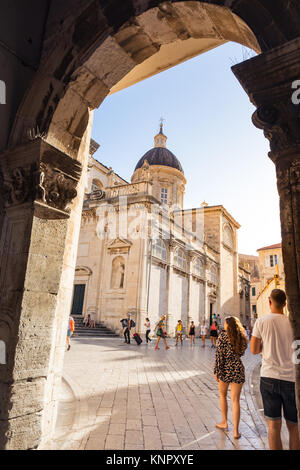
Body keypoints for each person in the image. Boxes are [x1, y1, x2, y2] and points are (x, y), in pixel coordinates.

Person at [251, 289, 300, 450]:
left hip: (269, 377)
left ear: (270, 302)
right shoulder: (293, 323)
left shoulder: (262, 321)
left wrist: (265, 347)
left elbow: (253, 349)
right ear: (285, 304)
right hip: (291, 379)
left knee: (273, 426)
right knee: (293, 426)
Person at [214, 316, 248, 439]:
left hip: (225, 368)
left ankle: (224, 422)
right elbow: (242, 352)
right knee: (236, 400)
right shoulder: (241, 337)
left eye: (225, 323)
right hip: (238, 367)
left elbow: (219, 355)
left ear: (228, 325)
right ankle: (236, 431)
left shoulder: (222, 336)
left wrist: (216, 370)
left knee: (222, 395)